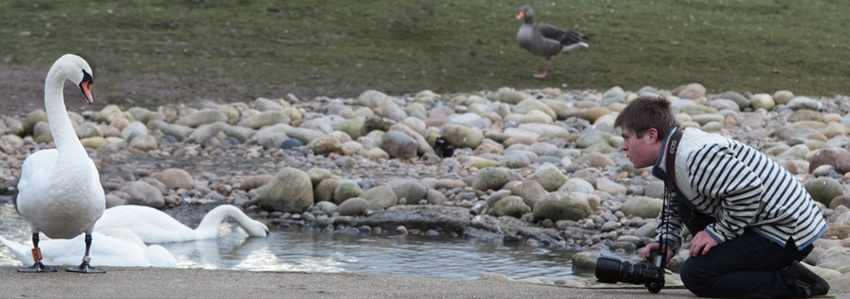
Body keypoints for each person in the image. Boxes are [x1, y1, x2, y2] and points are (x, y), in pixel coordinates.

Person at [613, 95, 830, 298]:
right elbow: (676, 203)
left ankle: (792, 283)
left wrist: (718, 233)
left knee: (696, 274)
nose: (623, 147)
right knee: (690, 211)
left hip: (788, 230)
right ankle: (768, 268)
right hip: (769, 223)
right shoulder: (676, 150)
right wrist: (666, 243)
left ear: (651, 135)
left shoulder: (693, 156)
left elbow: (749, 188)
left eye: (627, 138)